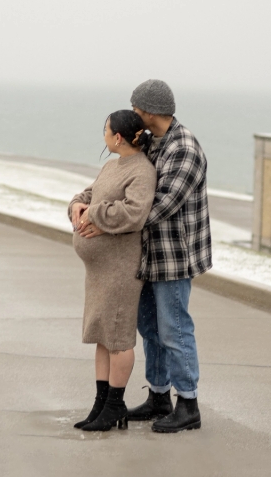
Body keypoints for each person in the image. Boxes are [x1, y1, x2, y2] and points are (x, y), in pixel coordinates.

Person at [80, 79, 212, 433]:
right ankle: (158, 396)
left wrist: (103, 222)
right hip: (146, 255)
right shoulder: (151, 142)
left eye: (136, 109)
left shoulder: (184, 148)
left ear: (150, 111)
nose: (133, 115)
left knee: (175, 330)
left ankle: (188, 404)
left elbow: (159, 207)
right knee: (151, 329)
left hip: (173, 255)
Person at [68, 110, 156, 432]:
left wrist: (95, 215)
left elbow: (134, 213)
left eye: (105, 130)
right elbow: (90, 195)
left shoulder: (142, 172)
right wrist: (77, 206)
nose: (103, 135)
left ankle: (115, 406)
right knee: (103, 336)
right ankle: (100, 403)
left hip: (120, 268)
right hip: (99, 270)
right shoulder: (111, 166)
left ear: (117, 137)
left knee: (118, 338)